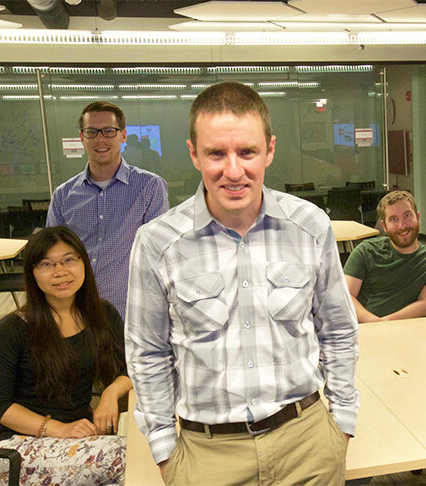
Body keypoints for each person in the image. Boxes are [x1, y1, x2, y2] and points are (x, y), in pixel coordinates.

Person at [126, 81, 359, 486]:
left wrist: (341, 425)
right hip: (208, 456)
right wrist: (165, 452)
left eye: (247, 152)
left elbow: (338, 330)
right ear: (194, 153)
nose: (233, 170)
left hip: (307, 445)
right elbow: (147, 353)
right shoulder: (158, 242)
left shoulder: (309, 227)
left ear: (269, 149)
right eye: (216, 153)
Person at [0, 227, 131, 482]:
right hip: (20, 450)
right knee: (132, 456)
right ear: (32, 273)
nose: (60, 271)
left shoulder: (101, 314)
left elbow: (130, 369)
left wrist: (111, 392)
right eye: (47, 264)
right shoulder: (14, 330)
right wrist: (59, 429)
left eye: (68, 260)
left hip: (79, 439)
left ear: (84, 263)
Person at [47, 101, 169, 318]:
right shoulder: (63, 196)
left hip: (130, 309)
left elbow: (159, 253)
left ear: (122, 136)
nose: (100, 139)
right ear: (81, 137)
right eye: (91, 132)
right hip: (76, 310)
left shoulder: (149, 187)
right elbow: (51, 254)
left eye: (109, 131)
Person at [344, 190, 426, 322]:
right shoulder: (366, 251)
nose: (402, 226)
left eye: (407, 215)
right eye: (393, 219)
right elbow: (347, 296)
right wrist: (375, 322)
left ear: (418, 217)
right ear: (384, 226)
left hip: (410, 330)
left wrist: (386, 323)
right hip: (365, 328)